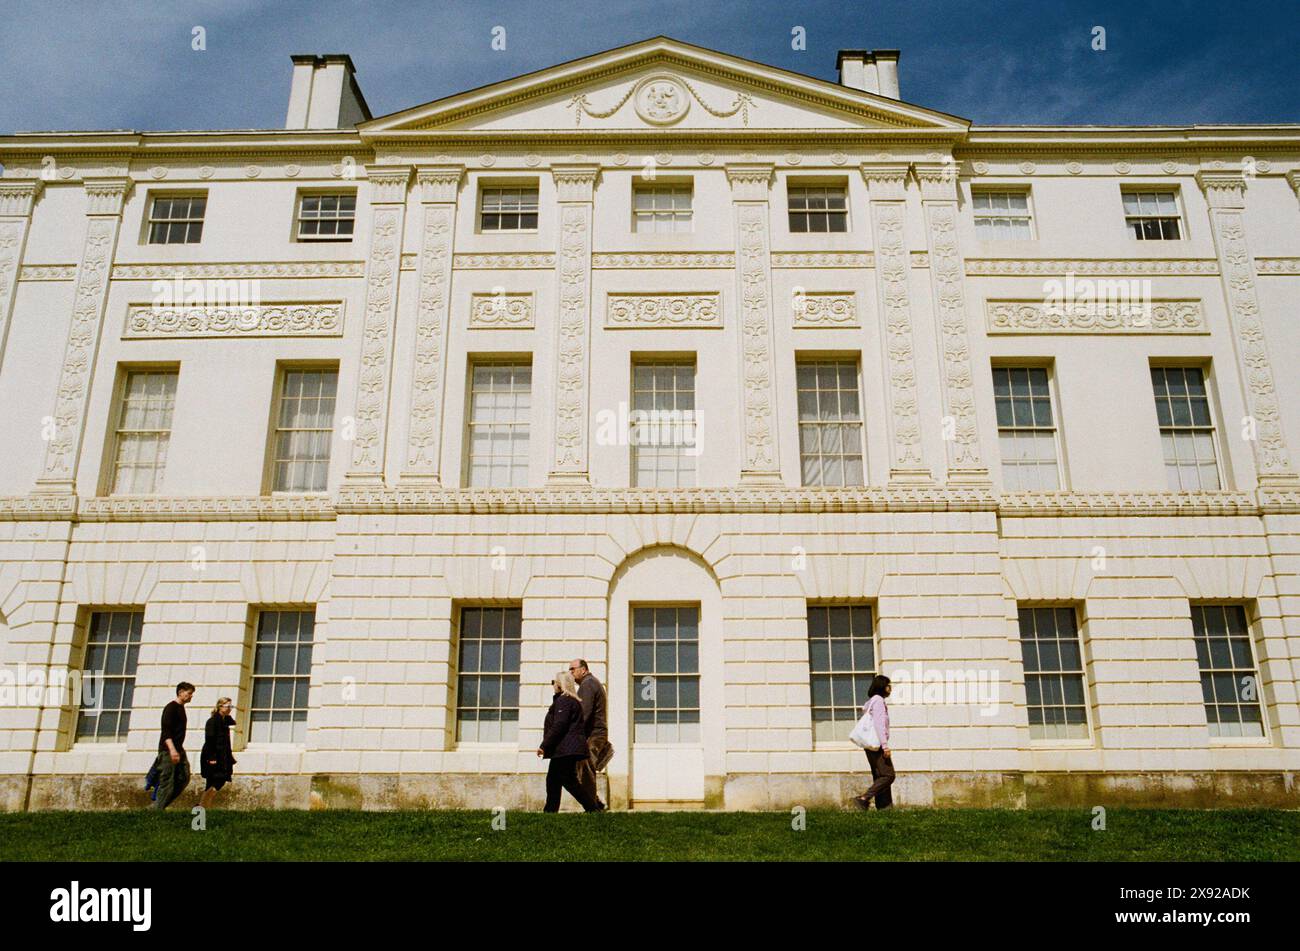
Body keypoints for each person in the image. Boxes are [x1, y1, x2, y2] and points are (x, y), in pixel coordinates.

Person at [536, 670, 600, 813]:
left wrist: (544, 745)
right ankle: (591, 808)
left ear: (559, 685)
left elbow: (560, 725)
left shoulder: (564, 701)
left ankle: (591, 808)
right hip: (568, 748)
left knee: (559, 781)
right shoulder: (571, 701)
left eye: (554, 682)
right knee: (562, 780)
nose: (553, 685)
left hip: (565, 749)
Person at [571, 658, 611, 811]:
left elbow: (584, 714)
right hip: (597, 733)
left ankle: (593, 807)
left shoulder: (587, 685)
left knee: (585, 767)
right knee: (585, 768)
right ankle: (595, 804)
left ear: (583, 669)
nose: (571, 673)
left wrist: (574, 734)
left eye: (573, 669)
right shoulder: (593, 683)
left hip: (594, 734)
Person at [152, 682, 194, 811]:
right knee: (167, 782)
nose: (191, 696)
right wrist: (172, 750)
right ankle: (157, 811)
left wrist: (178, 750)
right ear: (181, 692)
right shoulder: (171, 708)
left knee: (184, 777)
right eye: (189, 693)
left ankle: (160, 806)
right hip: (168, 750)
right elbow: (166, 731)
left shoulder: (181, 708)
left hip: (179, 749)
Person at [854, 675, 894, 810]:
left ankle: (884, 808)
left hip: (870, 745)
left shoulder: (871, 701)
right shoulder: (878, 701)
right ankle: (863, 798)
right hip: (877, 745)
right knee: (888, 775)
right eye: (888, 685)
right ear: (882, 687)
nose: (890, 687)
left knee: (879, 775)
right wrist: (885, 746)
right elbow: (879, 724)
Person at [200, 697, 237, 809]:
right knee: (214, 781)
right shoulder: (213, 721)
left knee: (219, 780)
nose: (230, 709)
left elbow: (233, 723)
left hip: (223, 756)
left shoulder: (224, 722)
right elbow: (210, 740)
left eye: (231, 706)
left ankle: (204, 806)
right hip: (214, 757)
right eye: (227, 706)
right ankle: (202, 806)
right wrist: (211, 758)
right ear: (220, 707)